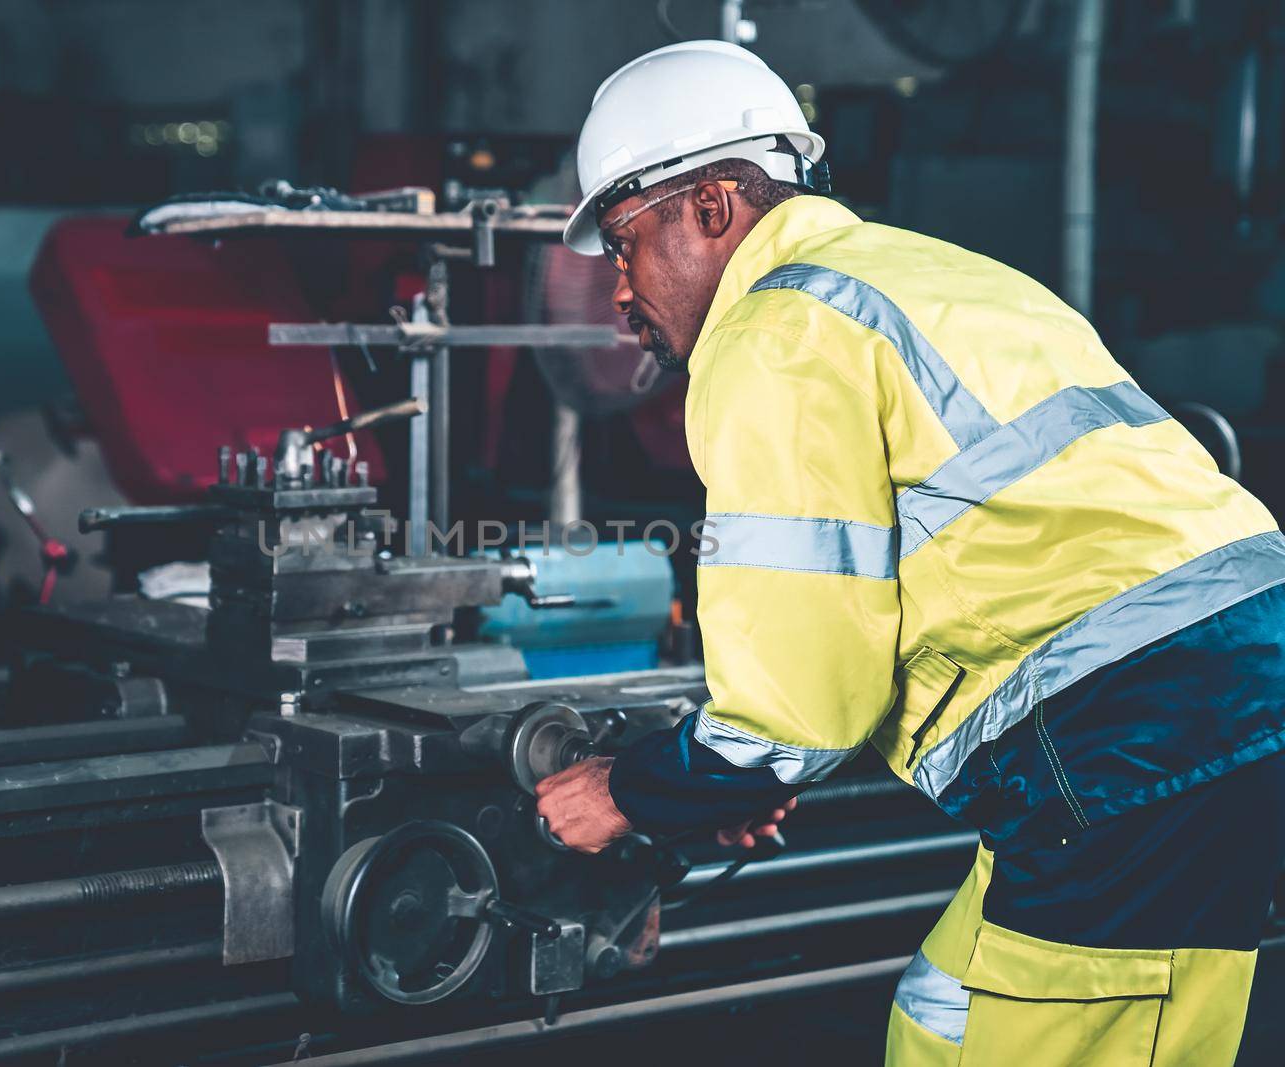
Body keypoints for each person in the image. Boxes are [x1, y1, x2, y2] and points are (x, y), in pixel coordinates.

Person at [535, 40, 1285, 1066]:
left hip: (1127, 742)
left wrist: (630, 789)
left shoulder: (771, 334)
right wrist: (739, 776)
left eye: (623, 242)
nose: (618, 291)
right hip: (1212, 693)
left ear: (711, 207)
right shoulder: (924, 270)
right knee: (954, 1008)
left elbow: (795, 709)